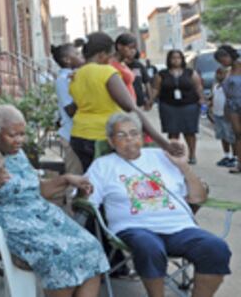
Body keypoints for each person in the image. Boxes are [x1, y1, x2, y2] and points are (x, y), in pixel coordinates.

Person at [84, 113, 232, 297]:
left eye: (134, 133)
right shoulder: (102, 166)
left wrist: (183, 166)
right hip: (134, 229)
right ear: (111, 141)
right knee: (149, 247)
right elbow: (86, 200)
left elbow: (198, 198)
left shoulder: (162, 157)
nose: (129, 139)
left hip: (179, 229)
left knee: (216, 248)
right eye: (121, 135)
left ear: (142, 137)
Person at [0, 105, 109, 297]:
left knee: (90, 246)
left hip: (41, 217)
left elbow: (37, 189)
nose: (20, 140)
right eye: (12, 135)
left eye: (22, 134)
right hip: (7, 222)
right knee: (59, 256)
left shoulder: (19, 155)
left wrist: (67, 179)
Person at [69, 32, 181, 172]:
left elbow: (77, 106)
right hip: (102, 139)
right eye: (110, 56)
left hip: (78, 135)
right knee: (113, 181)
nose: (111, 60)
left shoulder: (75, 75)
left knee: (90, 183)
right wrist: (164, 143)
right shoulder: (106, 72)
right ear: (102, 55)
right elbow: (131, 108)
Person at [151, 50, 205, 164]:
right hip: (169, 106)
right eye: (173, 58)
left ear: (182, 59)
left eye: (178, 58)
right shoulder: (162, 74)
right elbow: (156, 88)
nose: (176, 60)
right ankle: (174, 154)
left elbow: (198, 86)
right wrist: (150, 100)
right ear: (169, 60)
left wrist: (201, 98)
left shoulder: (190, 73)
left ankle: (192, 155)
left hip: (189, 105)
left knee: (190, 131)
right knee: (173, 131)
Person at [51, 42, 85, 174]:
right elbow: (70, 110)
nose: (81, 56)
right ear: (67, 59)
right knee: (74, 173)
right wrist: (85, 94)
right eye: (76, 54)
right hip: (69, 134)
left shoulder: (75, 75)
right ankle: (69, 194)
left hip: (78, 132)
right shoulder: (63, 79)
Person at [214, 45, 241, 174]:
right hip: (231, 105)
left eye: (223, 58)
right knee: (237, 135)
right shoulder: (228, 71)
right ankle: (239, 163)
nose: (222, 62)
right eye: (220, 61)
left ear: (230, 55)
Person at [208, 67, 236, 168]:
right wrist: (210, 107)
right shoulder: (215, 86)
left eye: (223, 73)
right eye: (218, 73)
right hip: (217, 114)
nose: (220, 76)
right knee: (223, 136)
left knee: (231, 137)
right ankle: (226, 155)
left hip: (228, 115)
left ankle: (235, 157)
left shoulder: (229, 86)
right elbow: (213, 98)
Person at [112, 33, 138, 101]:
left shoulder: (122, 63)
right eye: (130, 47)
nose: (133, 51)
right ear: (119, 46)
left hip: (130, 106)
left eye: (134, 48)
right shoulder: (111, 65)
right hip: (121, 107)